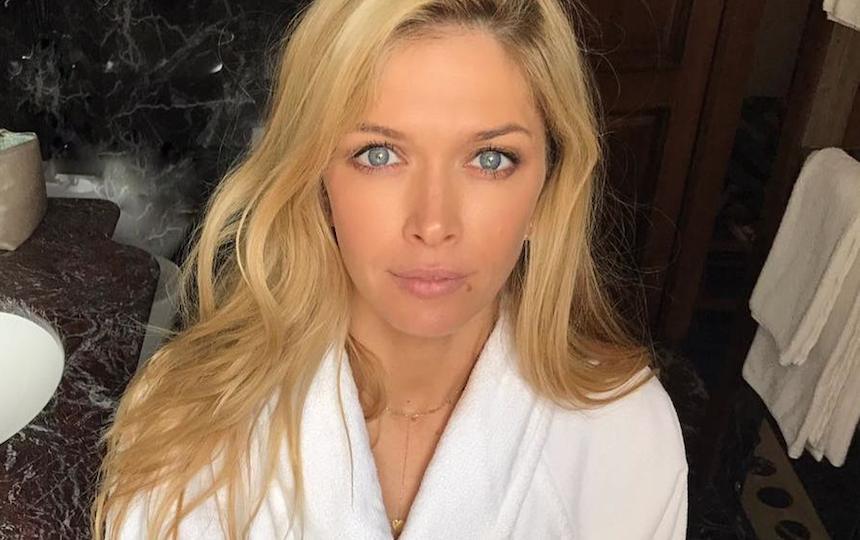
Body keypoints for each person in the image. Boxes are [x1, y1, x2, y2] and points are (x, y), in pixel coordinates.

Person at [92, 0, 689, 538]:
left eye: (490, 159)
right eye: (378, 155)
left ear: (547, 191)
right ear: (317, 183)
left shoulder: (625, 437)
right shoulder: (185, 422)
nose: (433, 223)